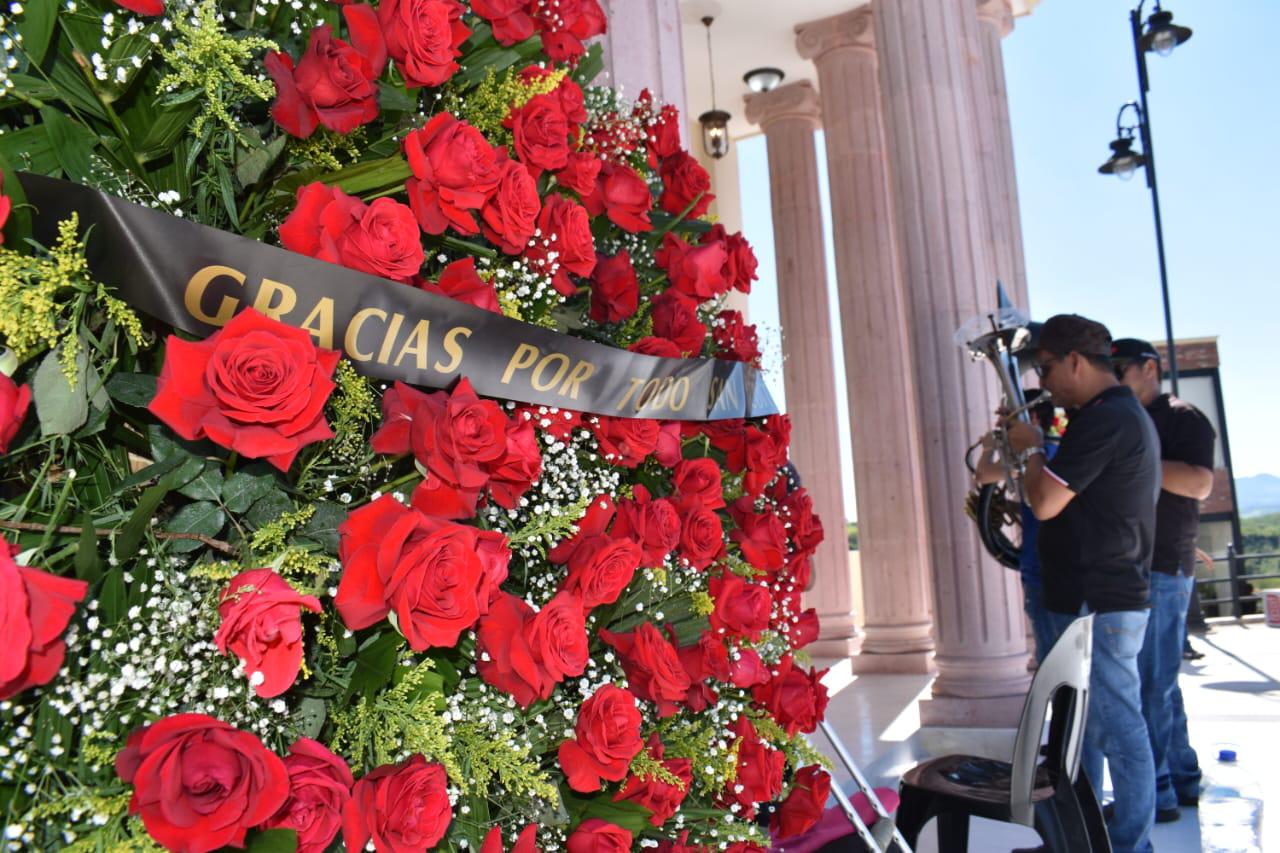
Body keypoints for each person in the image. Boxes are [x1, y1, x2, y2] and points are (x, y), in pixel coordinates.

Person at [1005, 314, 1159, 853]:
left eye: (1045, 367)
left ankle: (1130, 844)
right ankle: (1088, 840)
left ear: (1074, 360)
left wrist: (1027, 448)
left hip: (1109, 601)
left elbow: (1045, 503)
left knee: (1120, 732)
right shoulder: (1115, 414)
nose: (1042, 381)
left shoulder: (1105, 418)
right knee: (1094, 730)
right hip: (1108, 596)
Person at [1113, 338, 1215, 817]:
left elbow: (1199, 483)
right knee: (1160, 684)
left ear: (1148, 368)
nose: (1113, 376)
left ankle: (1156, 794)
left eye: (1120, 368)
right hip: (1144, 566)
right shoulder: (1132, 417)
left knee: (1152, 684)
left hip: (1163, 569)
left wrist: (1133, 461)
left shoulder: (1183, 416)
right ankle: (1183, 778)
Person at [973, 389, 1059, 663]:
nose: (999, 427)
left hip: (1047, 576)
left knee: (1053, 663)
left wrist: (988, 448)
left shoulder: (1042, 456)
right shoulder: (1052, 454)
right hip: (1043, 573)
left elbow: (984, 475)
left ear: (1032, 417)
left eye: (1006, 421)